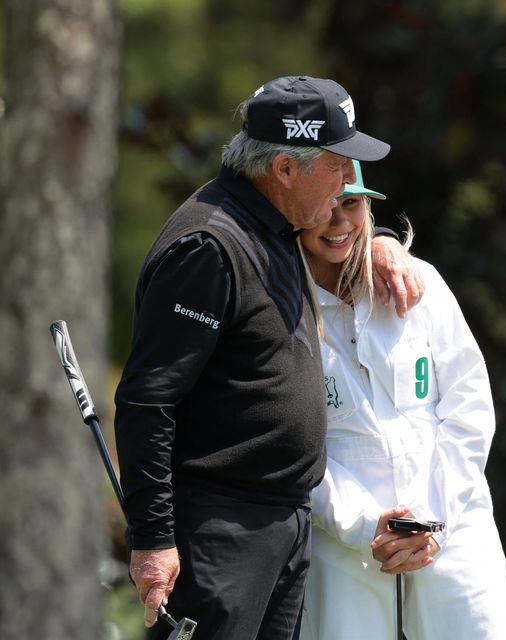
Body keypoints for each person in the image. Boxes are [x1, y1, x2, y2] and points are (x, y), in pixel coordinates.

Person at [114, 76, 424, 640]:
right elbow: (147, 400)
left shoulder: (276, 227)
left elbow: (341, 251)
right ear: (284, 168)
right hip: (219, 533)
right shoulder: (209, 246)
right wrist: (154, 539)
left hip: (281, 523)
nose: (345, 184)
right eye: (337, 164)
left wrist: (380, 245)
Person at [298, 161, 506, 639]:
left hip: (453, 522)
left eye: (353, 203)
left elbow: (469, 406)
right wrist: (364, 527)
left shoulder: (418, 280)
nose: (340, 222)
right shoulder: (281, 308)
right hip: (343, 542)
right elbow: (295, 445)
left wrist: (432, 518)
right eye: (326, 207)